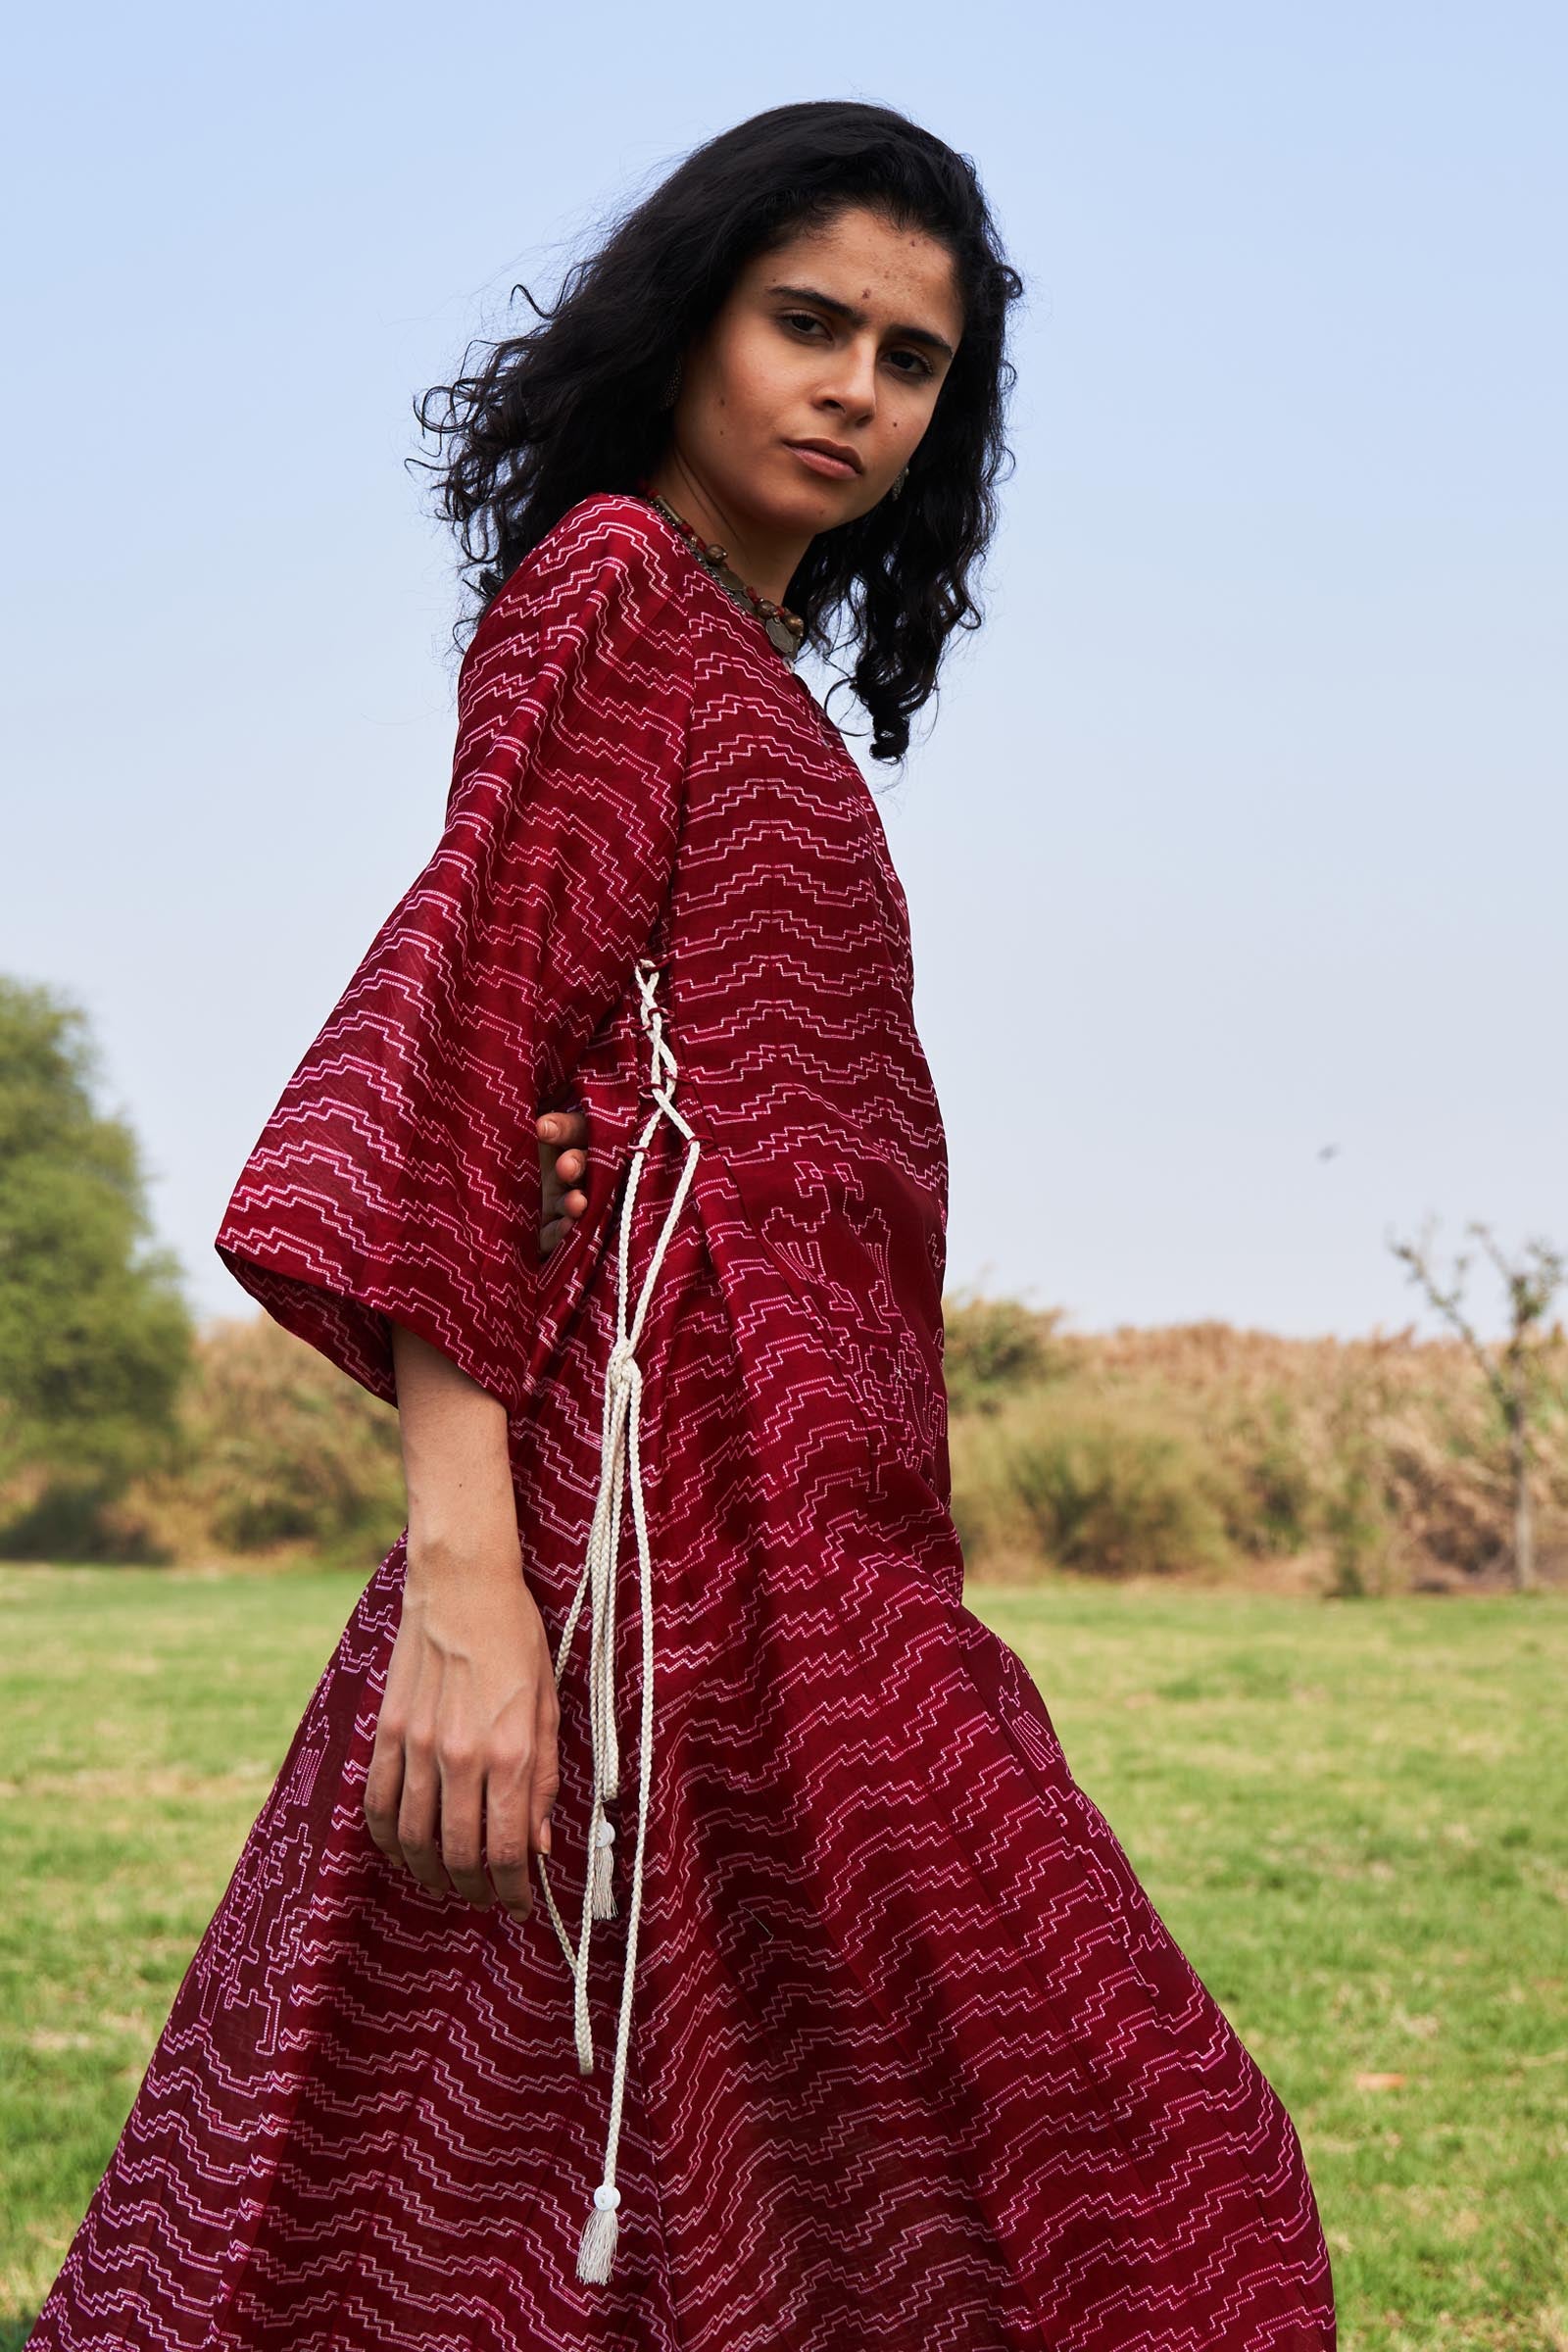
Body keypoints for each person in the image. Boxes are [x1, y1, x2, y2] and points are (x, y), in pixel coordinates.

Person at [27, 99, 1337, 2352]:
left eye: (910, 362)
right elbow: (466, 1049)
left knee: (629, 2165)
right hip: (651, 1547)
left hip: (810, 1529)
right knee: (1133, 2158)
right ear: (686, 327)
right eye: (805, 323)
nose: (854, 390)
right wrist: (468, 1596)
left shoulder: (745, 668)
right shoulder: (617, 591)